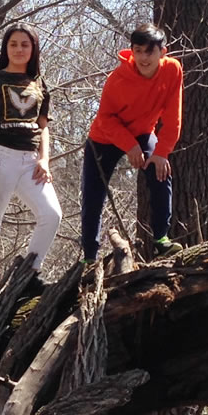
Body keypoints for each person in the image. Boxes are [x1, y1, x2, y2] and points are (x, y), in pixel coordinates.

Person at [0, 25, 63, 295]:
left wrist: (44, 160)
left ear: (33, 49)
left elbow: (43, 126)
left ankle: (29, 275)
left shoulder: (39, 83)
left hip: (31, 161)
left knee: (51, 215)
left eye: (25, 44)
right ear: (6, 48)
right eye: (13, 44)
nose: (19, 49)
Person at [80, 22, 184, 263]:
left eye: (149, 51)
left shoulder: (173, 70)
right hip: (104, 138)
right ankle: (89, 257)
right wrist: (129, 145)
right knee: (93, 195)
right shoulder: (117, 80)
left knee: (161, 172)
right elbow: (105, 119)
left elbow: (173, 117)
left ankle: (161, 239)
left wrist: (162, 152)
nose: (143, 57)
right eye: (138, 51)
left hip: (143, 133)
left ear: (163, 52)